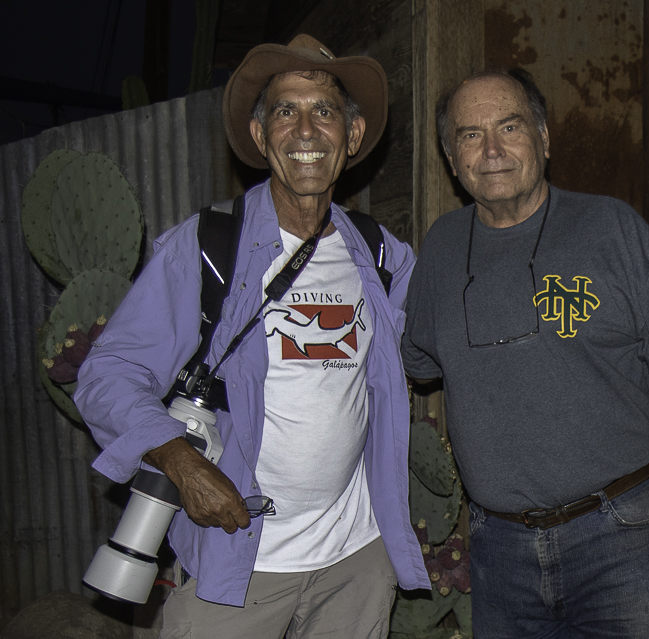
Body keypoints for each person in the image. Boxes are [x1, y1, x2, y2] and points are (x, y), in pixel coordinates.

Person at [75, 35, 429, 639]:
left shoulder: (381, 255)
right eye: (286, 111)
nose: (307, 130)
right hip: (237, 555)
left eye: (324, 111)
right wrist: (180, 461)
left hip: (356, 559)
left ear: (353, 134)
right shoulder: (207, 249)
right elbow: (108, 375)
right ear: (263, 138)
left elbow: (426, 354)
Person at [401, 69, 649, 638]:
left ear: (544, 138)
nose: (491, 150)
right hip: (501, 551)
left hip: (624, 536)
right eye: (470, 136)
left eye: (509, 126)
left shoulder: (612, 230)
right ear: (451, 159)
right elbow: (416, 366)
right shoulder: (442, 249)